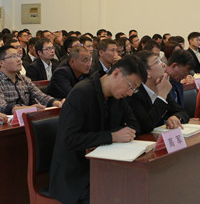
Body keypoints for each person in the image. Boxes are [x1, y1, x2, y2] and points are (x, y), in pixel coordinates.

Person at [49, 56, 144, 204]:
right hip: (76, 174)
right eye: (131, 86)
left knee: (137, 186)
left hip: (104, 167)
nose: (130, 93)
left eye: (135, 89)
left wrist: (118, 134)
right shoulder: (81, 93)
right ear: (117, 73)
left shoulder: (117, 97)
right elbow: (69, 139)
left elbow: (134, 126)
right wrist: (112, 136)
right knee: (116, 195)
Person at [0, 45, 63, 114]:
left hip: (24, 119)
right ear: (1, 63)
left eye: (18, 56)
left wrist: (57, 103)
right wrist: (30, 109)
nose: (19, 59)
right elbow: (1, 107)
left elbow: (41, 96)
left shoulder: (24, 79)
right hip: (2, 123)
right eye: (13, 56)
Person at [128, 51, 188, 134]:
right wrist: (162, 96)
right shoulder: (134, 94)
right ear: (147, 72)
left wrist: (176, 117)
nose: (163, 64)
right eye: (157, 62)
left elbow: (182, 112)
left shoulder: (160, 87)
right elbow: (145, 126)